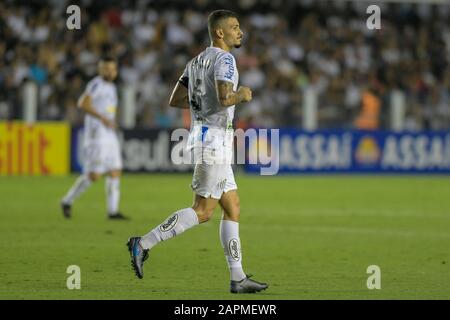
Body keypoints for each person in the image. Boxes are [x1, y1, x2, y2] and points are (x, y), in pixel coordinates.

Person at [126, 10, 268, 294]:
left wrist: (202, 105)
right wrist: (242, 94)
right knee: (203, 211)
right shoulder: (225, 59)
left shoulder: (196, 61)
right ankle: (142, 243)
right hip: (214, 141)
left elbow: (175, 99)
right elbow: (227, 97)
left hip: (205, 137)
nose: (240, 32)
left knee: (233, 206)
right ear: (219, 33)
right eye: (235, 27)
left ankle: (238, 278)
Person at [60, 57, 128, 220]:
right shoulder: (96, 84)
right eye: (106, 69)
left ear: (116, 71)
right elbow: (83, 103)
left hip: (109, 134)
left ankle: (113, 211)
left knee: (115, 171)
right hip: (97, 135)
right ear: (100, 70)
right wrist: (102, 119)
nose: (109, 72)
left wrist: (111, 120)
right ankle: (67, 200)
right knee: (94, 175)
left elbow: (107, 108)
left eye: (112, 69)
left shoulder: (111, 87)